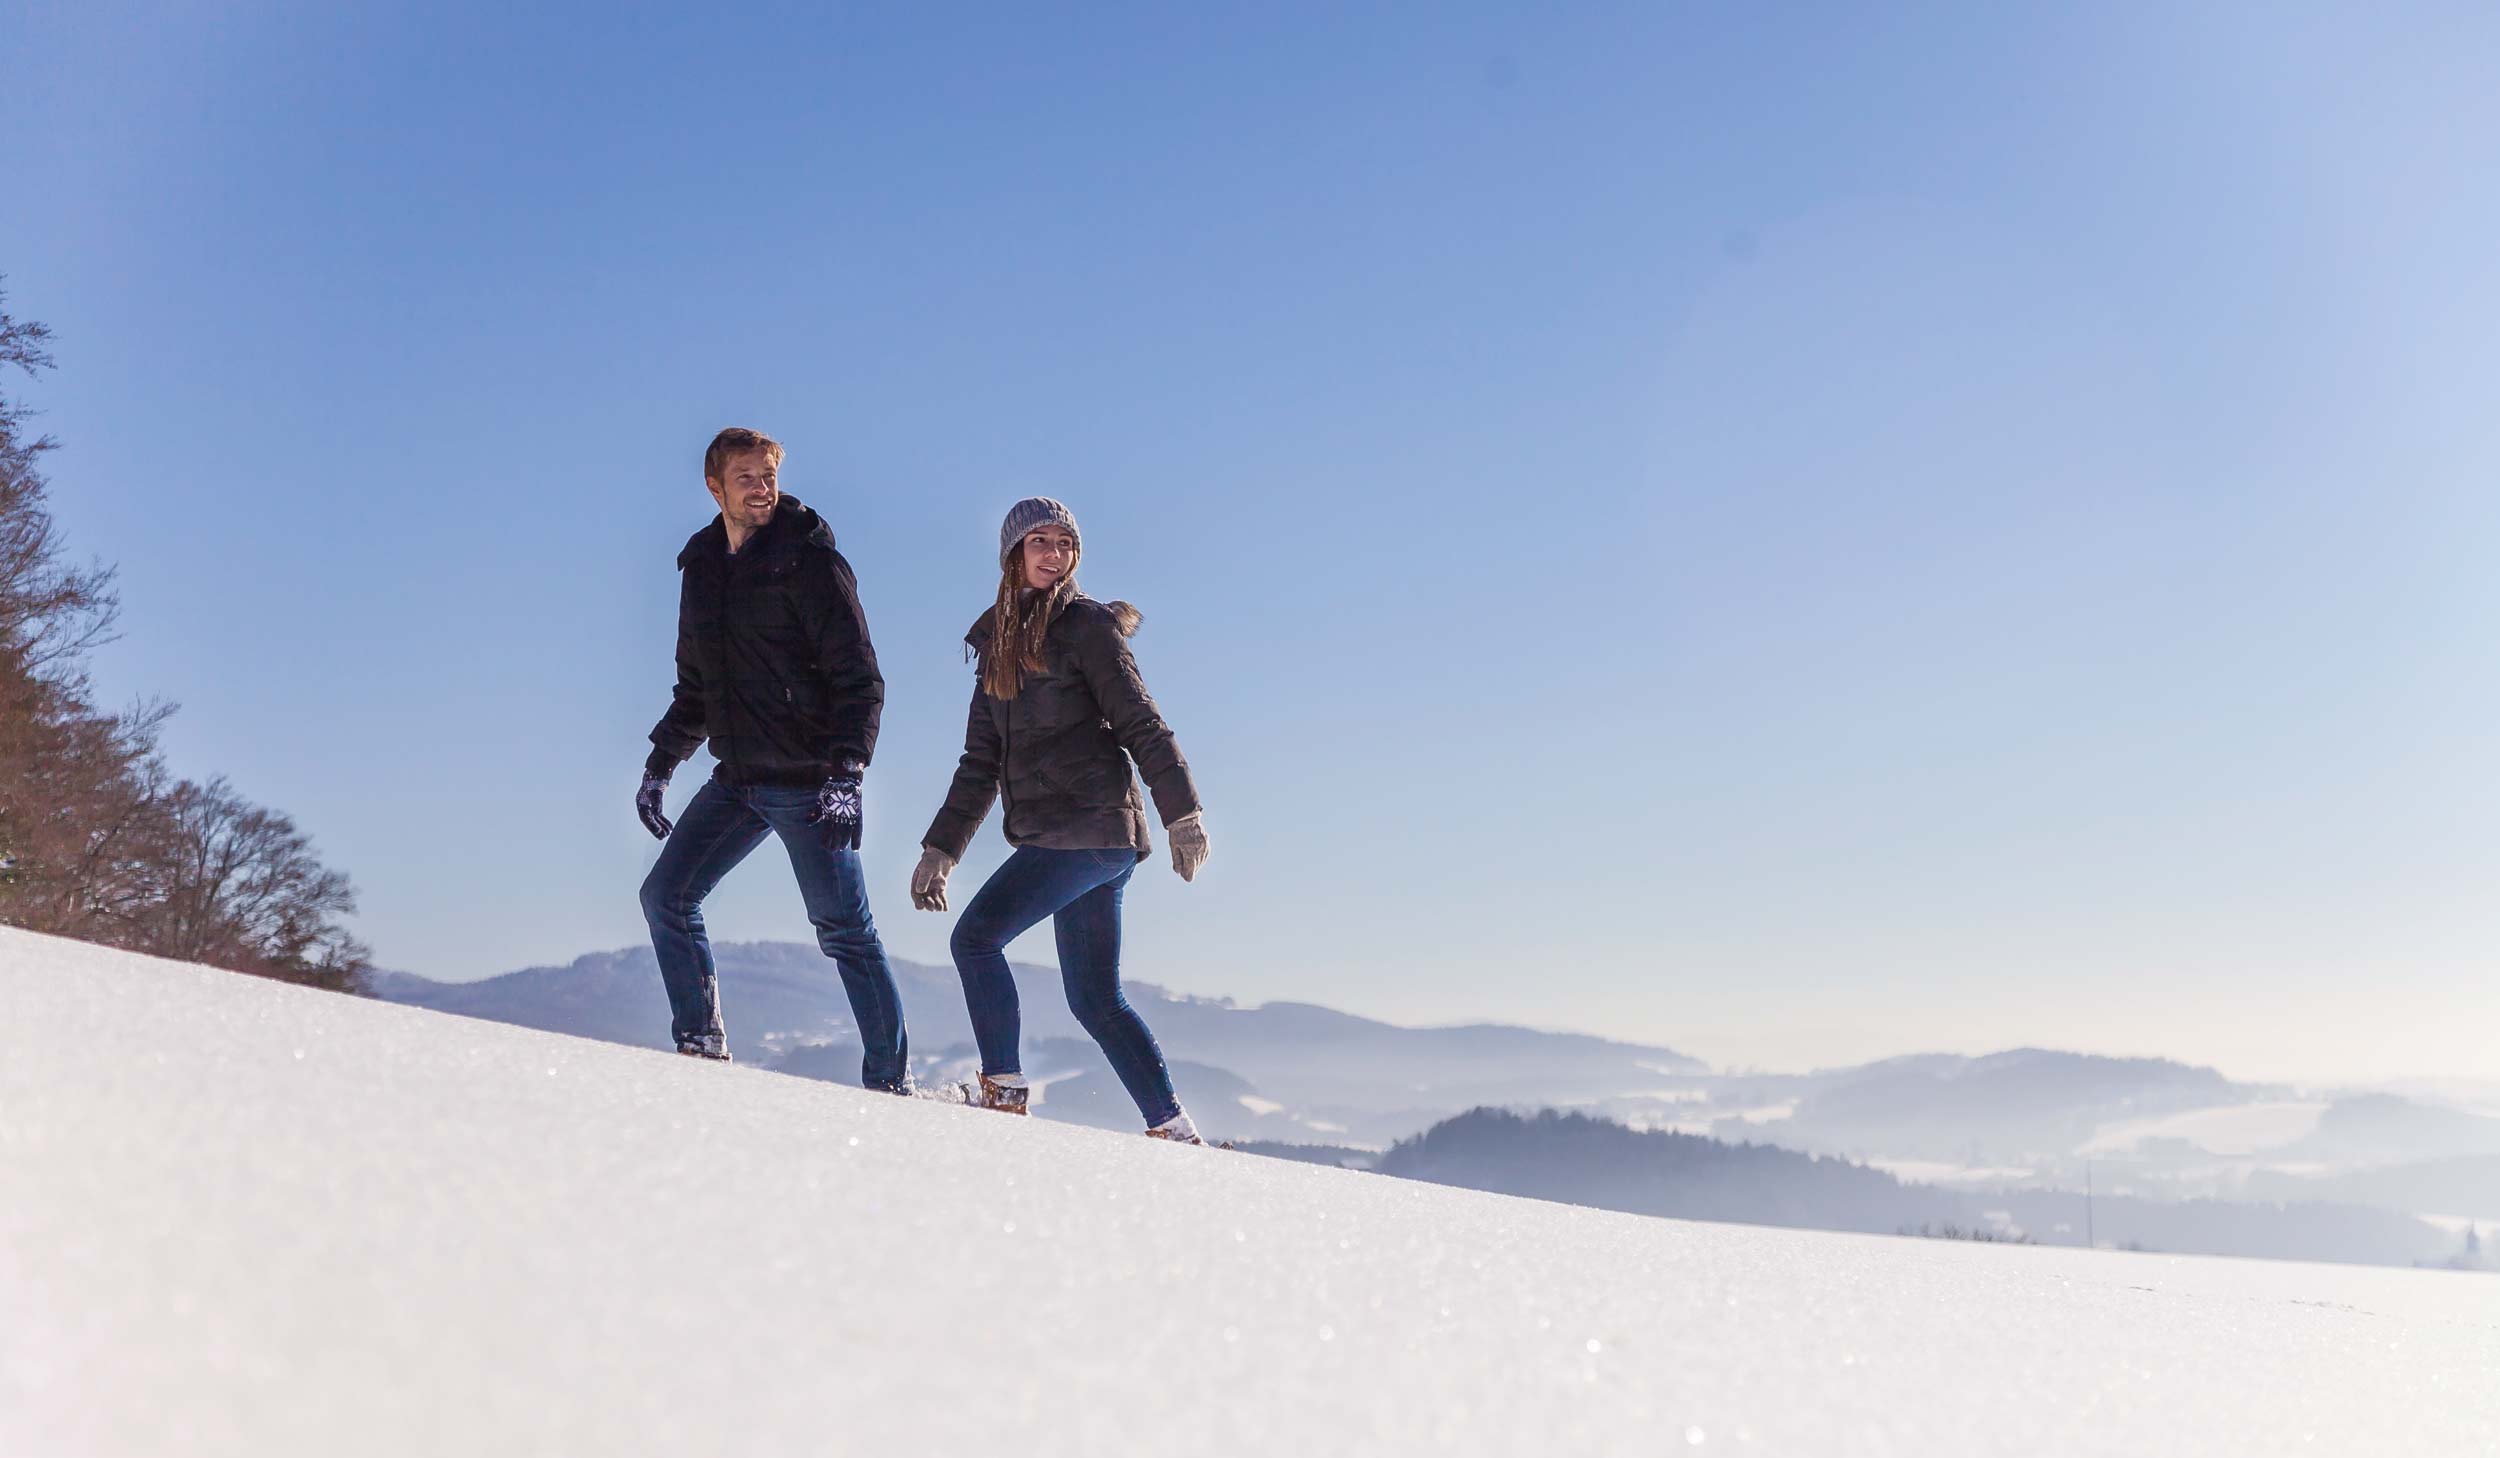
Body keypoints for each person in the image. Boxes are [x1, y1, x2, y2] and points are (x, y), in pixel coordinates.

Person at [911, 497, 1215, 1143]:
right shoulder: (997, 640)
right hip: (1084, 838)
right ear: (1013, 555)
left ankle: (1004, 1091)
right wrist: (941, 849)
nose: (1055, 554)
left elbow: (1141, 722)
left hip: (1091, 828)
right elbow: (980, 760)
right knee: (1095, 998)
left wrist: (1182, 814)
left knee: (975, 940)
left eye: (1065, 543)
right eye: (1040, 542)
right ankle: (1172, 1125)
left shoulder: (1087, 628)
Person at [635, 427, 908, 1089]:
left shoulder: (810, 563)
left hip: (810, 781)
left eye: (768, 477)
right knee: (666, 896)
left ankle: (889, 1082)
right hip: (738, 780)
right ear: (714, 486)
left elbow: (861, 680)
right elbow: (697, 687)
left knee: (844, 930)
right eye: (747, 479)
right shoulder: (702, 568)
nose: (762, 490)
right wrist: (661, 763)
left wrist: (848, 773)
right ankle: (701, 1041)